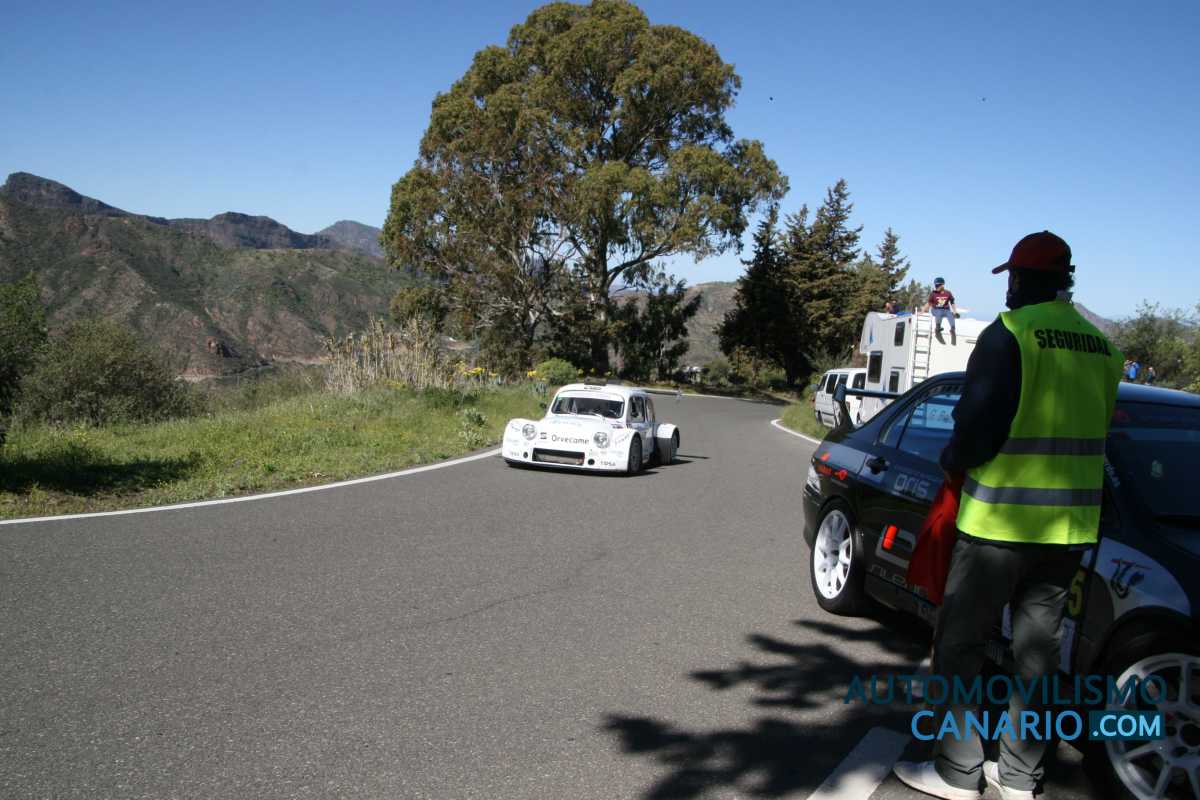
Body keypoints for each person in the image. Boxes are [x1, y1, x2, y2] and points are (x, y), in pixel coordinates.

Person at [892, 231, 1124, 800]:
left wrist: (952, 460)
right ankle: (1020, 778)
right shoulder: (1103, 348)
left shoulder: (1010, 334)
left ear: (1023, 279)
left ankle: (957, 771)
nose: (1009, 290)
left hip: (998, 525)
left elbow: (976, 429)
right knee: (1038, 657)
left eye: (1013, 278)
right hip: (1068, 532)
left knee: (959, 646)